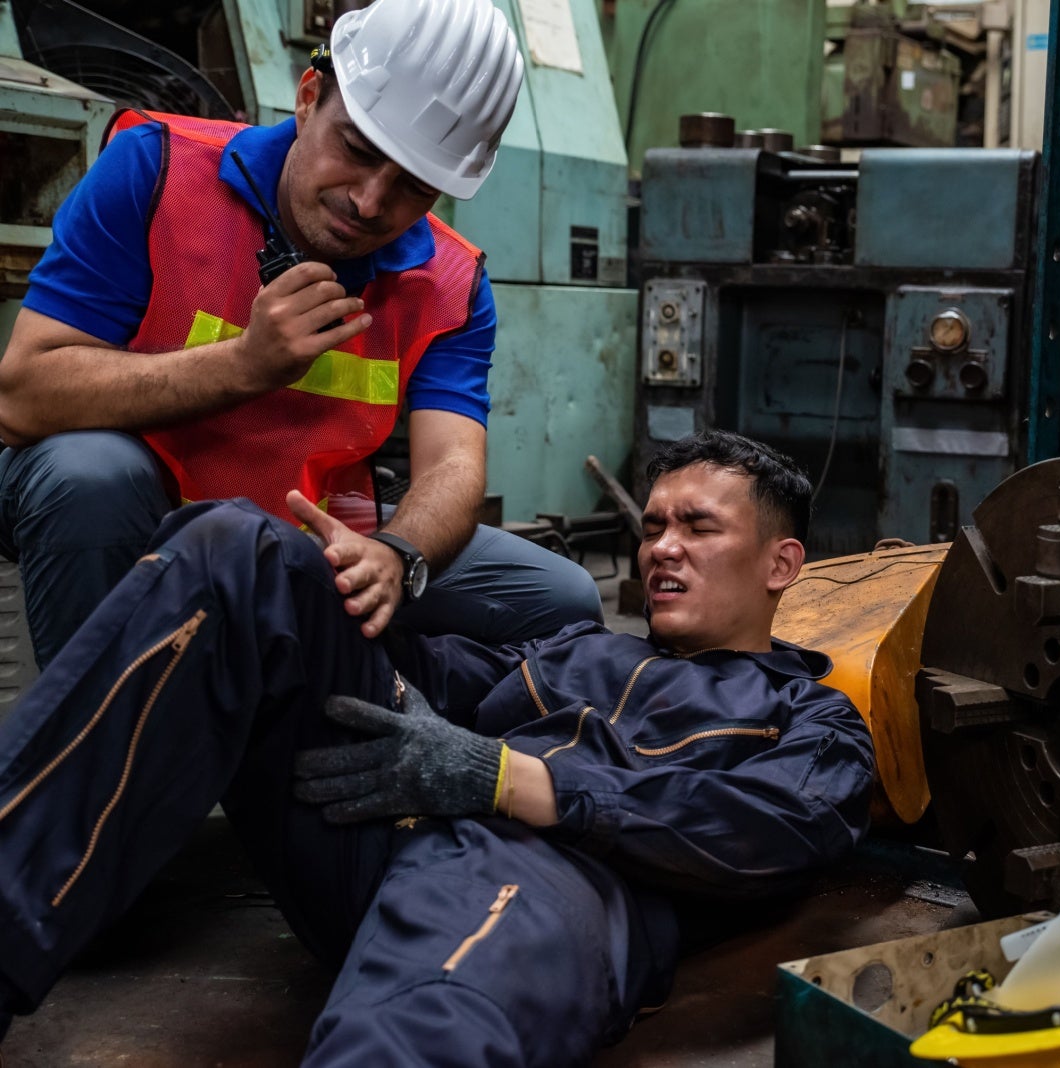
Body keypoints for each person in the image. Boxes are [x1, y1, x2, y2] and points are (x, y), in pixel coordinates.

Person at [0, 429, 876, 1065]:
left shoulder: (807, 715)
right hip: (382, 820)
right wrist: (339, 586)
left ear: (781, 563)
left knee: (422, 1023)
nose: (662, 549)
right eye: (651, 528)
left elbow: (774, 827)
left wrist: (516, 783)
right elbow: (423, 674)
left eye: (699, 528)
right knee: (238, 546)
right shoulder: (579, 649)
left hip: (553, 873)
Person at [0, 0, 601, 670]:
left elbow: (454, 466)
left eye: (413, 186)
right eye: (357, 149)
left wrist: (396, 558)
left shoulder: (450, 281)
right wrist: (243, 365)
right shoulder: (156, 170)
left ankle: (360, 724)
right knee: (86, 476)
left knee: (561, 597)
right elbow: (22, 396)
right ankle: (100, 751)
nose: (371, 202)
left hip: (313, 532)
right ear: (309, 99)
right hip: (146, 521)